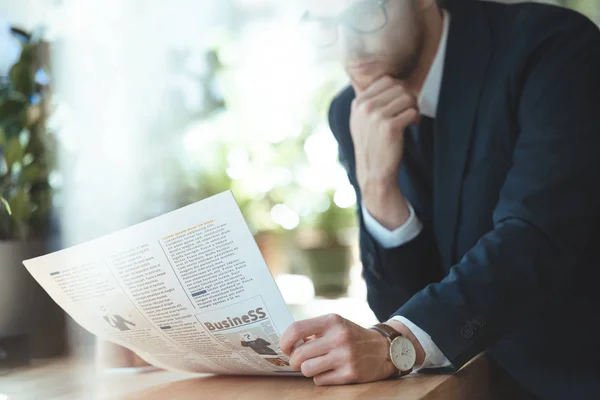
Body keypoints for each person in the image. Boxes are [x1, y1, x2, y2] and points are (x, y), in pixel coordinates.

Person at [279, 1, 600, 399]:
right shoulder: (355, 111)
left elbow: (537, 234)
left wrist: (392, 344)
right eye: (327, 25)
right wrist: (379, 188)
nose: (349, 49)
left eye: (363, 16)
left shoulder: (551, 46)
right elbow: (400, 305)